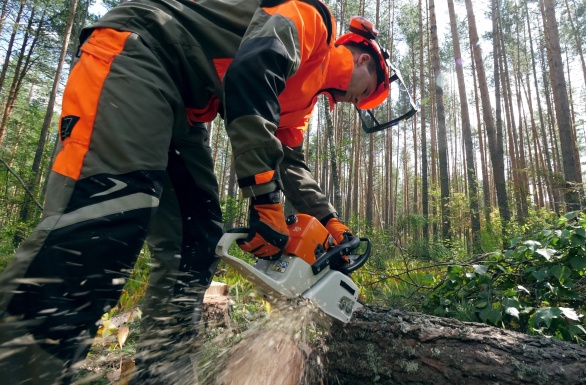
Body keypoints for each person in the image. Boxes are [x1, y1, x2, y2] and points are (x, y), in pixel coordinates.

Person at [0, 0, 413, 383]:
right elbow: (253, 71)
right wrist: (265, 201)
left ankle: (165, 370)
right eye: (370, 88)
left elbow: (292, 163)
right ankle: (21, 367)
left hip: (185, 106)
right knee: (105, 219)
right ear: (364, 59)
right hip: (141, 51)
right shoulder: (313, 21)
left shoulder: (302, 102)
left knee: (197, 241)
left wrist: (329, 221)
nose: (363, 101)